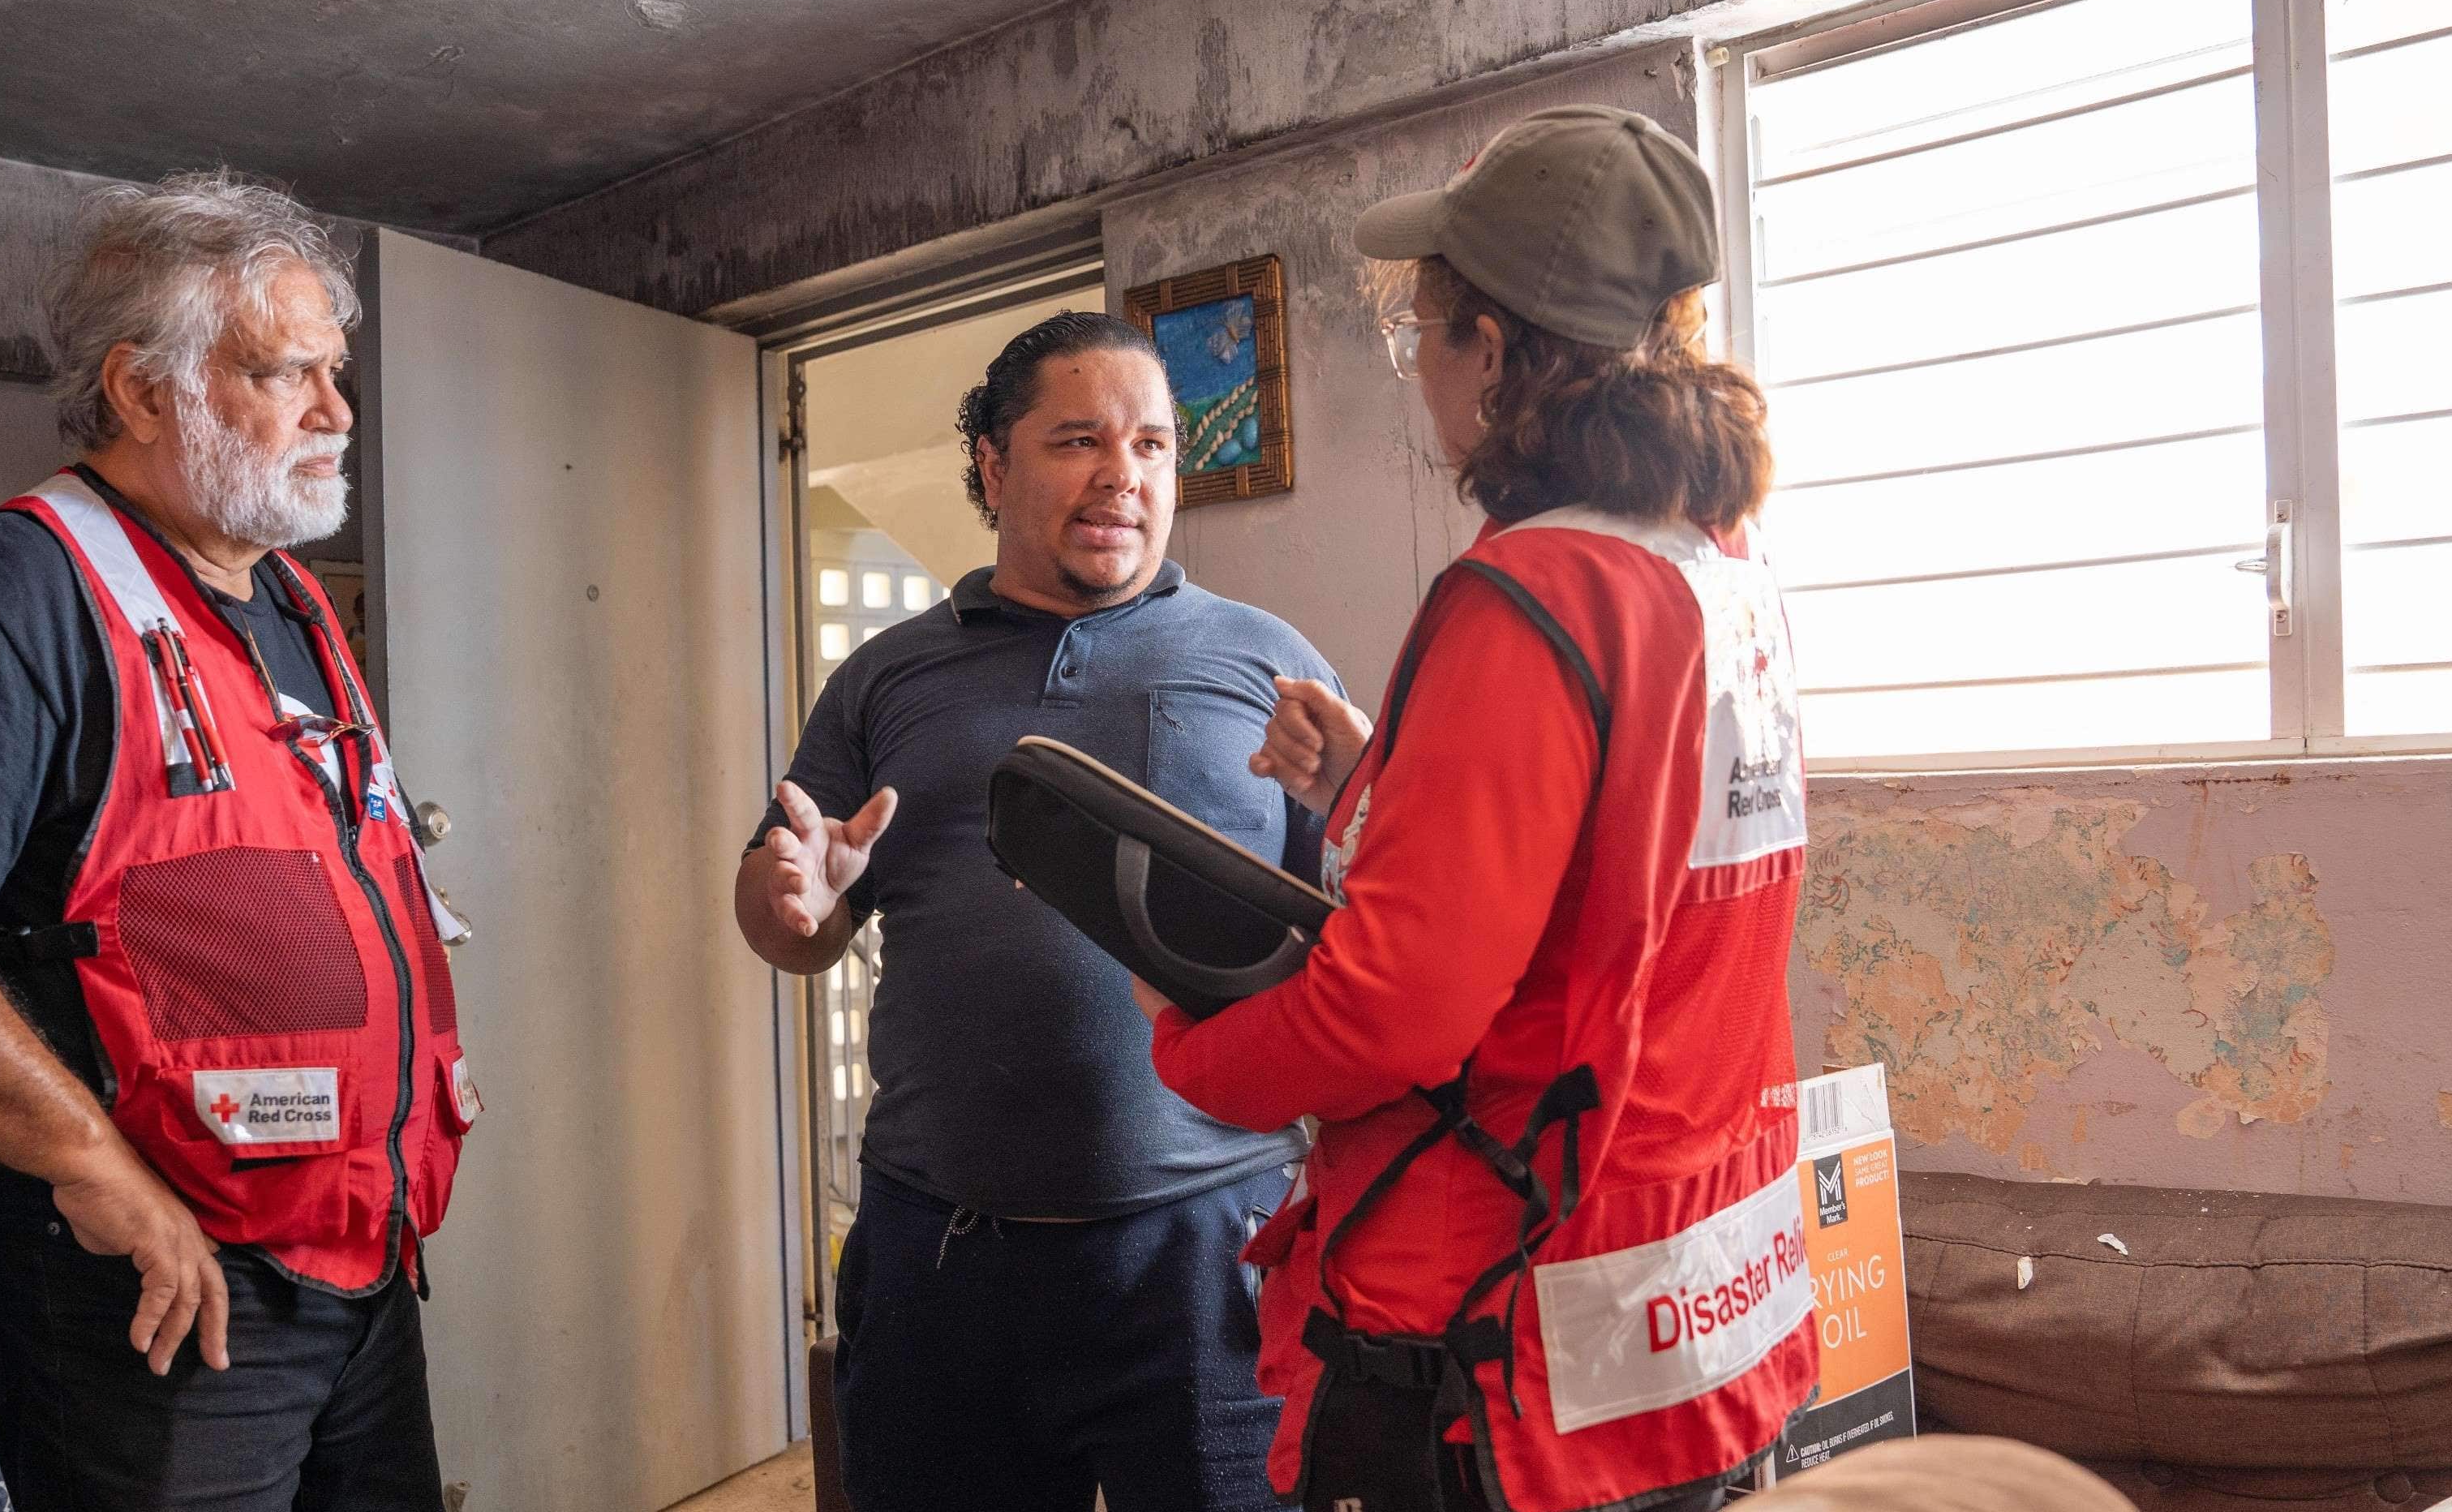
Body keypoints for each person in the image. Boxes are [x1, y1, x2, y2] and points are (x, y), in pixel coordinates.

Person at [0, 173, 471, 1512]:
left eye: (334, 371)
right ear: (143, 390)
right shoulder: (13, 589)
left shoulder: (289, 598)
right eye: (283, 372)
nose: (336, 412)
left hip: (355, 1266)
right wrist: (85, 1161)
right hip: (155, 1286)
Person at [1142, 106, 1815, 1512]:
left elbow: (1391, 1015)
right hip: (1692, 1300)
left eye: (1425, 333)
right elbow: (1631, 872)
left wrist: (1189, 1049)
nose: (1422, 372)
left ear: (1495, 352)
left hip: (1496, 1335)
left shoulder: (1528, 596)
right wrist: (1379, 780)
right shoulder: (1720, 575)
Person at [735, 311, 1342, 1512]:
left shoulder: (1268, 661)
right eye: (1079, 441)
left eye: (1156, 447)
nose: (1125, 476)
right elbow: (786, 923)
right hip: (943, 1258)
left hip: (1212, 1249)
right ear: (993, 466)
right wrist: (791, 896)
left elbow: (1364, 931)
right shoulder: (887, 675)